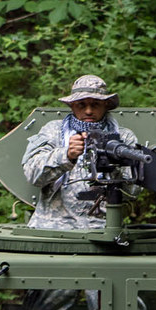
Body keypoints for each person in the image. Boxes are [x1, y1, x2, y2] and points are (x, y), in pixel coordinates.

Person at [21, 74, 139, 229]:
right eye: (81, 105)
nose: (88, 111)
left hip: (104, 227)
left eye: (95, 104)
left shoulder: (123, 137)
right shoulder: (53, 131)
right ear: (72, 106)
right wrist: (66, 156)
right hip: (52, 227)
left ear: (106, 105)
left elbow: (134, 191)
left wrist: (114, 163)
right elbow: (32, 175)